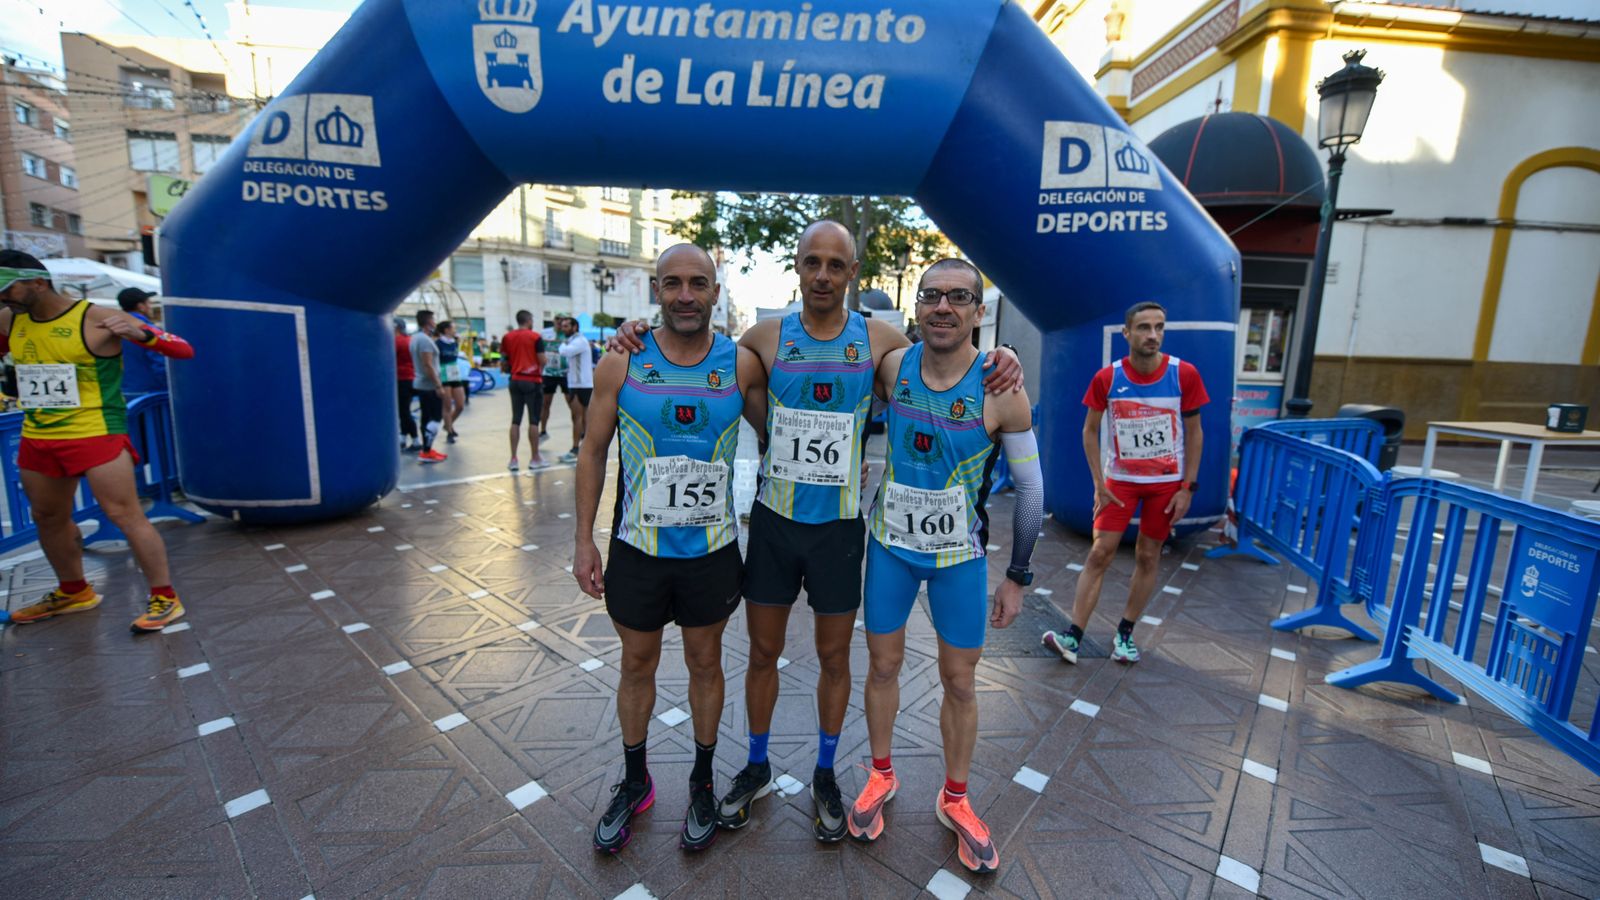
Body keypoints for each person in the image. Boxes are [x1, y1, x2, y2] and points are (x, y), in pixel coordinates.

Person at [610, 221, 1023, 843]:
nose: (824, 276)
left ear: (852, 272)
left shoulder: (881, 341)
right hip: (775, 524)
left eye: (836, 265)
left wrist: (1001, 356)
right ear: (798, 269)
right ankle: (755, 765)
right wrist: (634, 331)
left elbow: (944, 357)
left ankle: (828, 770)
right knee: (762, 653)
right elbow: (699, 351)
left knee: (836, 657)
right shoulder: (763, 339)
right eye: (813, 263)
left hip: (838, 530)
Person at [847, 260, 1041, 874]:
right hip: (891, 550)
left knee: (960, 680)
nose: (943, 307)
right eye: (932, 296)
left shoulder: (1002, 389)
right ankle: (881, 775)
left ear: (978, 312)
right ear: (918, 306)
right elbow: (816, 344)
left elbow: (1032, 491)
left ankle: (954, 796)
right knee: (883, 665)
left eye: (959, 298)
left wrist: (1018, 575)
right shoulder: (892, 367)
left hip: (960, 558)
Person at [572, 244, 767, 854]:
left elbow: (785, 432)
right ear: (656, 290)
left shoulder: (741, 365)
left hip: (710, 551)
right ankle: (636, 782)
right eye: (673, 283)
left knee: (706, 664)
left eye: (698, 283)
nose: (686, 294)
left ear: (715, 291)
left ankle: (703, 782)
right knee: (637, 664)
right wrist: (583, 541)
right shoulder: (622, 362)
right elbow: (593, 452)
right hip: (638, 550)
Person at [0, 250, 195, 631]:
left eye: (8, 289)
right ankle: (74, 591)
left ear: (38, 283)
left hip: (96, 433)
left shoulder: (94, 318)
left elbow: (182, 348)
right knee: (47, 517)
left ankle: (165, 599)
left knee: (125, 515)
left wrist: (141, 334)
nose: (3, 298)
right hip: (38, 435)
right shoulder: (10, 319)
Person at [1042, 301, 1208, 665]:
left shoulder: (1185, 375)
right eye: (1145, 327)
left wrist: (1187, 488)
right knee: (1100, 552)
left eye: (1159, 327)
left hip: (1166, 485)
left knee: (1148, 556)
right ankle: (1074, 636)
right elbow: (1089, 430)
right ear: (1127, 333)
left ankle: (1125, 634)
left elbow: (1195, 433)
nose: (1153, 335)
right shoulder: (1108, 378)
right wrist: (1099, 483)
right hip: (1120, 483)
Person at [500, 309, 546, 471]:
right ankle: (535, 457)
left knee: (516, 419)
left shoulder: (508, 337)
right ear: (529, 320)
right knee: (534, 420)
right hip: (532, 380)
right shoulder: (535, 337)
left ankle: (513, 459)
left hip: (515, 380)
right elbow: (542, 360)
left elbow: (504, 361)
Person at [410, 309, 448, 463]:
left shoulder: (416, 338)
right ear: (428, 322)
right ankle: (426, 451)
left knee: (426, 417)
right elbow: (427, 365)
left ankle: (427, 449)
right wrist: (438, 386)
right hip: (429, 385)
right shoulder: (424, 341)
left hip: (423, 383)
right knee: (435, 418)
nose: (435, 322)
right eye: (433, 319)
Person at [116, 288, 167, 397]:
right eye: (149, 303)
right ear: (141, 306)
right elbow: (160, 363)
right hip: (151, 395)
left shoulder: (114, 330)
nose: (150, 307)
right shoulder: (149, 331)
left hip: (123, 392)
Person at [558, 315, 594, 463]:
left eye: (566, 326)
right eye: (563, 326)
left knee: (577, 418)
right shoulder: (575, 340)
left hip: (581, 385)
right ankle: (585, 448)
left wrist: (561, 344)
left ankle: (575, 449)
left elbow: (564, 351)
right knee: (581, 418)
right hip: (578, 384)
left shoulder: (579, 341)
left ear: (574, 327)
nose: (563, 328)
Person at [436, 320, 468, 444]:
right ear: (446, 330)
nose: (455, 330)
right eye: (453, 328)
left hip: (455, 374)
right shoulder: (437, 343)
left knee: (460, 405)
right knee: (447, 405)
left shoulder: (455, 342)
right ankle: (449, 432)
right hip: (443, 375)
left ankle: (447, 424)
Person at [538, 317, 569, 442]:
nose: (560, 322)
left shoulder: (568, 334)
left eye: (563, 320)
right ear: (553, 320)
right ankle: (543, 431)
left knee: (573, 404)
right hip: (548, 373)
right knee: (545, 404)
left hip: (565, 373)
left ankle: (582, 432)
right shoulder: (544, 333)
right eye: (558, 319)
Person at [395, 318, 419, 452]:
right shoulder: (410, 340)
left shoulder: (396, 341)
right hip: (411, 379)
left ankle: (415, 440)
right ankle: (403, 437)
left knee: (403, 412)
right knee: (404, 410)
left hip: (401, 379)